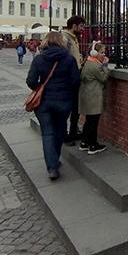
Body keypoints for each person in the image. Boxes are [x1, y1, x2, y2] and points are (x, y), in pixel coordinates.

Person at [26, 31, 80, 180]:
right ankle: (54, 159)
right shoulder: (69, 59)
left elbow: (30, 81)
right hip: (64, 101)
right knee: (60, 130)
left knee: (47, 133)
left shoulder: (39, 59)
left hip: (43, 102)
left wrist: (40, 86)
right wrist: (66, 91)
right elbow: (75, 81)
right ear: (61, 42)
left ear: (46, 41)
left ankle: (52, 167)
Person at [78, 42, 110, 155]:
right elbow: (103, 78)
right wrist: (105, 66)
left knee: (89, 121)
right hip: (93, 96)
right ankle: (93, 145)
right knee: (93, 122)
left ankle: (84, 142)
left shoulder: (89, 62)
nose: (104, 55)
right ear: (94, 53)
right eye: (102, 52)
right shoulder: (95, 65)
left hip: (88, 95)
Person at [62, 15, 86, 144]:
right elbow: (62, 59)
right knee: (67, 108)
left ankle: (73, 132)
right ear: (74, 26)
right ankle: (65, 135)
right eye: (81, 26)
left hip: (75, 75)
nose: (83, 29)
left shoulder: (74, 38)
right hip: (68, 78)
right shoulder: (65, 38)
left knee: (75, 108)